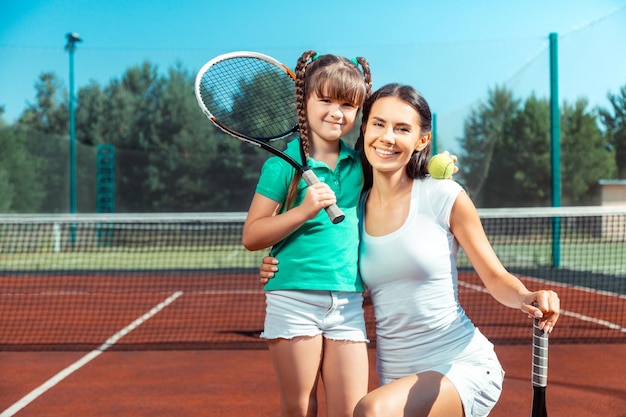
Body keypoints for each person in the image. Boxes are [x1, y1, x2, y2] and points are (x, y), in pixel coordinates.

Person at [259, 83, 560, 417]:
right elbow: (324, 256)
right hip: (397, 379)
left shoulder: (444, 195)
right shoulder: (354, 210)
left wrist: (525, 296)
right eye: (379, 124)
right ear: (364, 129)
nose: (387, 137)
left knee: (369, 411)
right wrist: (276, 262)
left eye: (402, 128)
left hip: (459, 365)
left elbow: (495, 276)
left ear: (422, 140)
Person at [242, 50, 373, 417]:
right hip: (293, 299)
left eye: (348, 104)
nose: (336, 112)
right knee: (301, 407)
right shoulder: (280, 167)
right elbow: (252, 235)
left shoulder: (362, 166)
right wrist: (303, 210)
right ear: (304, 100)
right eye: (326, 99)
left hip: (347, 302)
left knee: (351, 410)